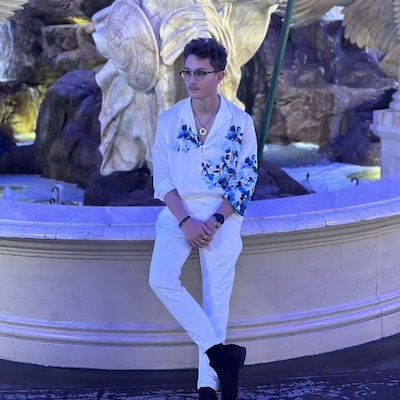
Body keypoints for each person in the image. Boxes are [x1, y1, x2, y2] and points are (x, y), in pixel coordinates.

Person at [149, 37, 258, 400]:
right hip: (178, 211)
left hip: (222, 215)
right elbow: (162, 180)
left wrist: (214, 222)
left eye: (200, 73)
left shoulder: (241, 124)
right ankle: (221, 357)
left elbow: (245, 180)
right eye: (187, 72)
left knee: (216, 301)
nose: (191, 80)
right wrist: (186, 222)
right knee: (161, 279)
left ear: (220, 76)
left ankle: (208, 388)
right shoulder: (168, 120)